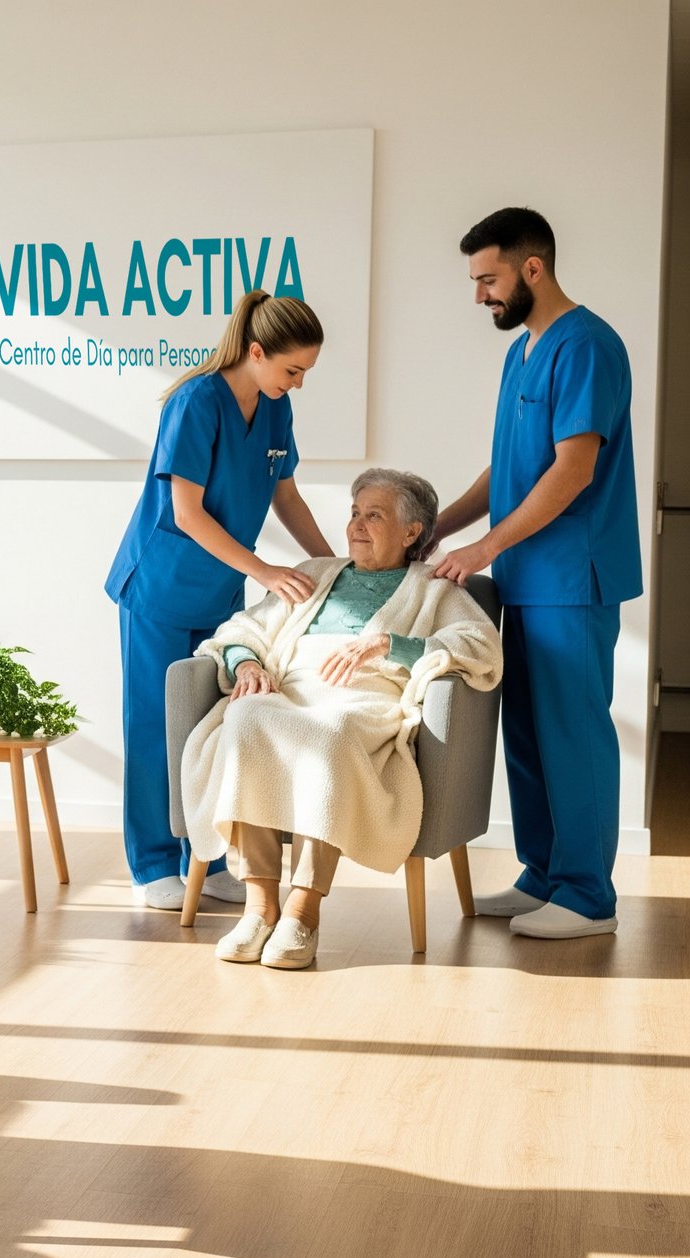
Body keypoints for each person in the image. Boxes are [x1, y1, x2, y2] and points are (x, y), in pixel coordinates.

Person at [180, 470, 503, 968]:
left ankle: (302, 912)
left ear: (412, 532)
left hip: (363, 700)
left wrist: (389, 644)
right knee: (244, 719)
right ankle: (261, 906)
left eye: (375, 515)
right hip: (291, 687)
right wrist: (244, 663)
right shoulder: (316, 572)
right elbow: (244, 627)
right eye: (355, 512)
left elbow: (480, 646)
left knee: (327, 736)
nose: (357, 525)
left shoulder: (433, 588)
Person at [432, 208, 642, 940]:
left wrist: (483, 550)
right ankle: (544, 873)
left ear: (532, 268)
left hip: (569, 575)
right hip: (523, 575)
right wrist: (441, 527)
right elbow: (511, 466)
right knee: (523, 731)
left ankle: (588, 897)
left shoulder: (585, 345)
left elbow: (572, 471)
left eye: (488, 279)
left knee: (571, 732)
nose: (480, 295)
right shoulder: (522, 352)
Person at [104, 290, 334, 911]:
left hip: (218, 593)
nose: (299, 382)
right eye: (292, 369)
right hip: (159, 587)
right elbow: (187, 512)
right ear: (256, 352)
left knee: (211, 728)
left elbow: (286, 497)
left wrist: (329, 563)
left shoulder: (275, 407)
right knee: (156, 729)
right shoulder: (196, 402)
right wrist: (265, 570)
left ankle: (206, 862)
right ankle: (152, 863)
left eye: (306, 372)